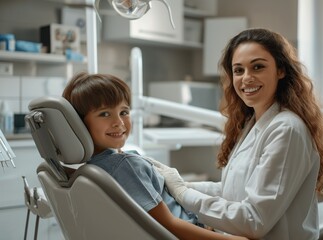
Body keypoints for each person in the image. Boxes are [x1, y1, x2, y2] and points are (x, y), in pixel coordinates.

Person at [151, 28, 323, 240]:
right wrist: (180, 184)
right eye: (238, 70)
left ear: (281, 70)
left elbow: (254, 220)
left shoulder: (287, 129)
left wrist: (184, 193)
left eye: (257, 67)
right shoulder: (252, 123)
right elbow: (233, 191)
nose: (246, 78)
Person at [62, 72, 248, 240]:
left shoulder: (94, 168)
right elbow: (169, 225)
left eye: (124, 112)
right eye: (104, 114)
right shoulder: (126, 167)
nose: (119, 122)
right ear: (79, 124)